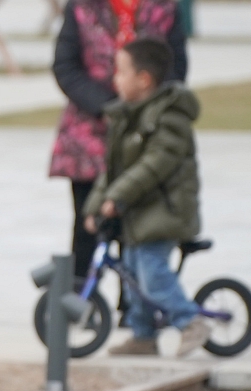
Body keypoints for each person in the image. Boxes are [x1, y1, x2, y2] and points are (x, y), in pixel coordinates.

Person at [82, 38, 210, 357]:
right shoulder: (127, 117)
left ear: (144, 79)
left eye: (120, 71)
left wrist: (117, 197)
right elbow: (112, 170)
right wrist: (97, 204)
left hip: (164, 212)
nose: (115, 79)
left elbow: (153, 166)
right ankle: (143, 336)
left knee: (151, 275)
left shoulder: (170, 118)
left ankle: (190, 321)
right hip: (139, 214)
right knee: (131, 277)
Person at [50, 0, 187, 281]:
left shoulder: (165, 7)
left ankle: (135, 302)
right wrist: (108, 106)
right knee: (88, 219)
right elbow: (66, 66)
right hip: (90, 128)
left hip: (145, 127)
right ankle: (81, 296)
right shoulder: (83, 6)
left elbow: (176, 67)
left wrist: (144, 107)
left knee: (138, 219)